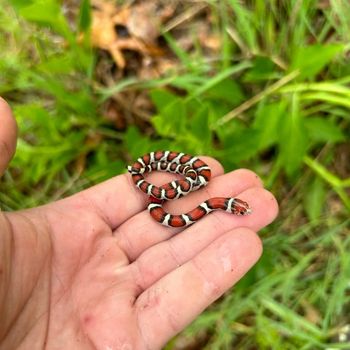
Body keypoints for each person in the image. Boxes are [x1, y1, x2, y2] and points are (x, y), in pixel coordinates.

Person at [0, 96, 278, 349]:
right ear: (227, 207)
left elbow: (192, 182)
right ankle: (144, 172)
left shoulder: (196, 182)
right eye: (237, 209)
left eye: (236, 210)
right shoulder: (180, 193)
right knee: (184, 182)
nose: (238, 210)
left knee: (200, 176)